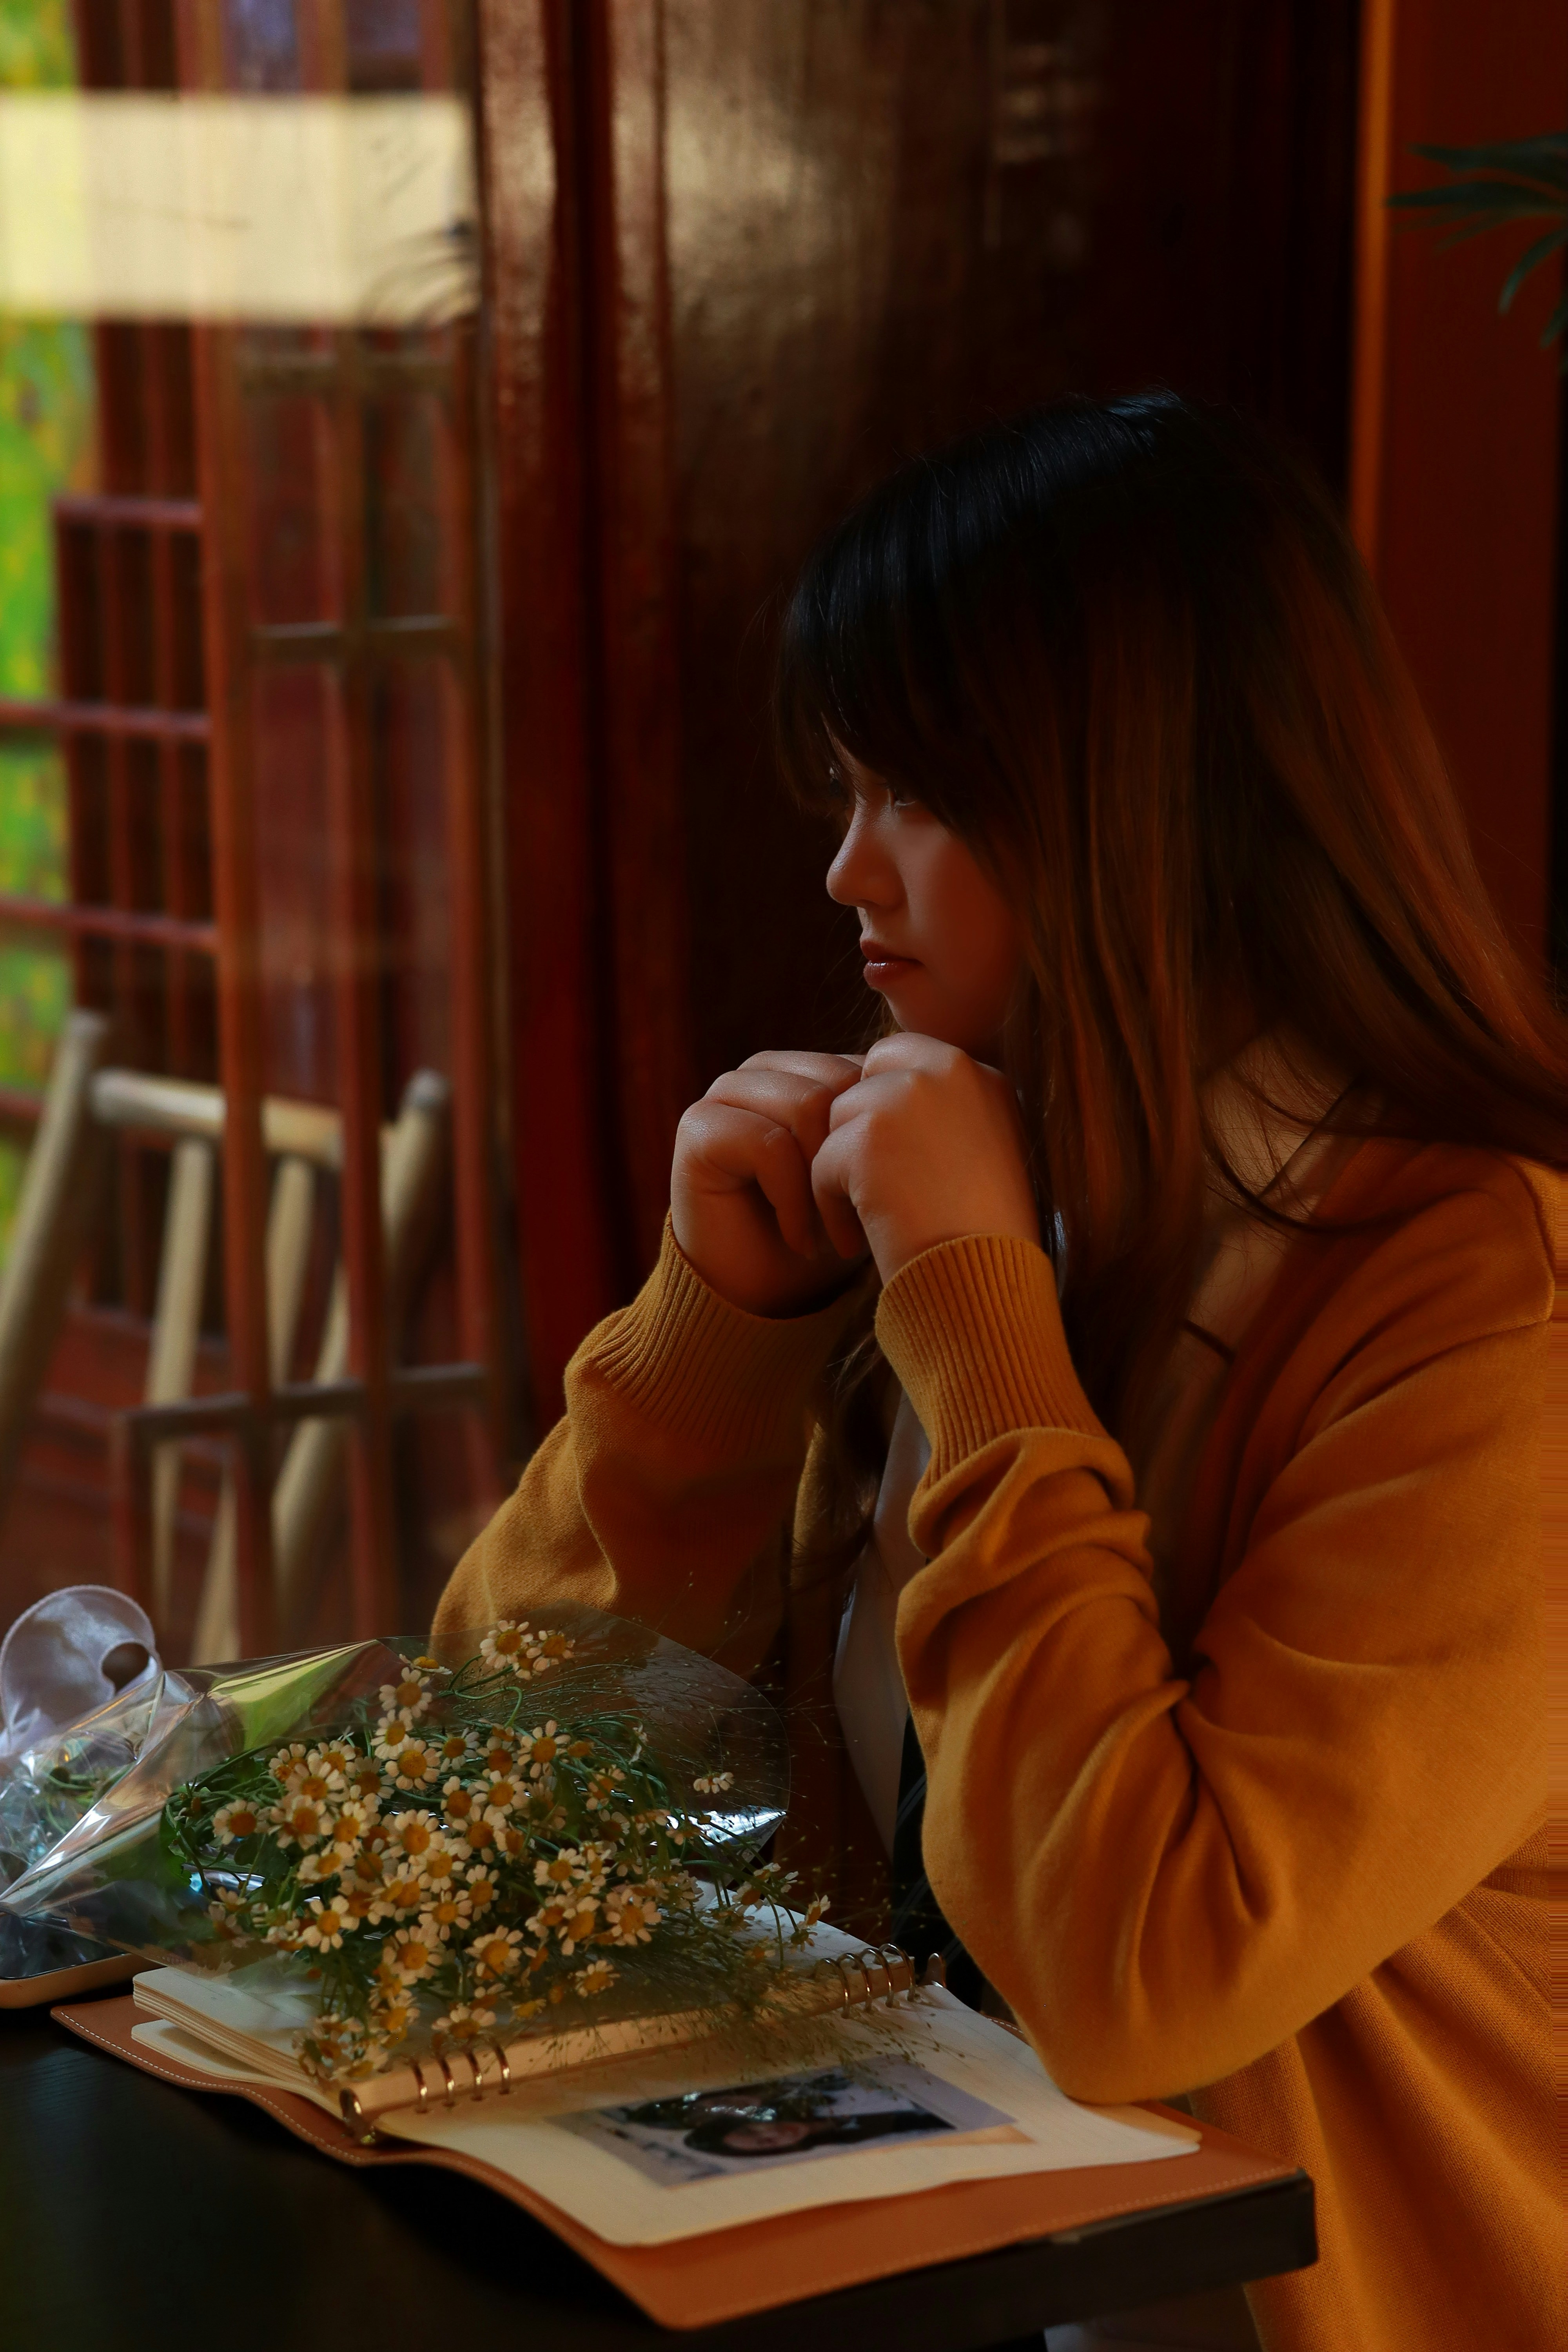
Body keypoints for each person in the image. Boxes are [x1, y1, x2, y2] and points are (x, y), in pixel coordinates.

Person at [434, 394, 1564, 2352]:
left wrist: (968, 1314)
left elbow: (1139, 1971)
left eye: (918, 797)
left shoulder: (1492, 1321)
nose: (845, 876)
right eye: (846, 791)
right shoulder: (998, 1184)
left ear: (1143, 804)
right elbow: (511, 1804)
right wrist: (718, 1338)